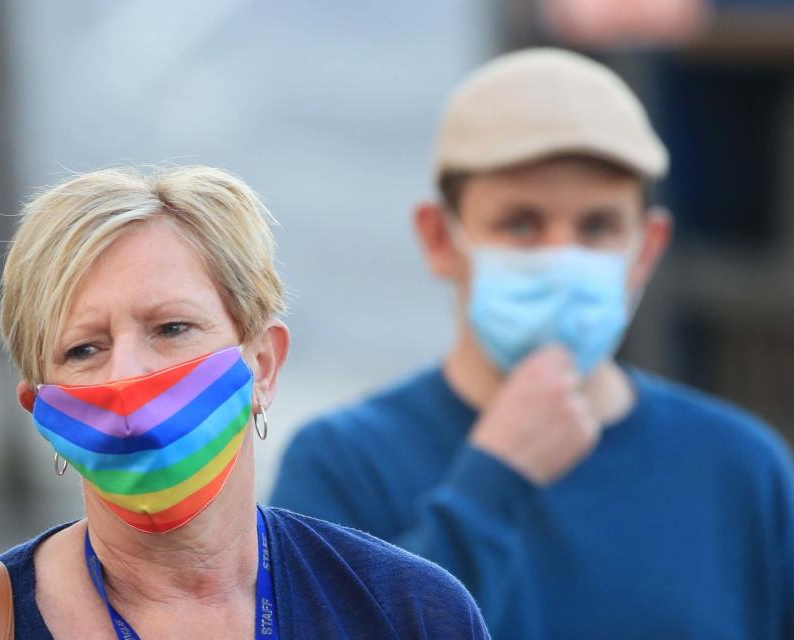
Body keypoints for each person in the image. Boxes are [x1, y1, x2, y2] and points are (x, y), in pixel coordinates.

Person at [271, 48, 794, 639]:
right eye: (520, 223)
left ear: (646, 249)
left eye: (597, 227)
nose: (561, 258)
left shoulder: (741, 469)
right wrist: (491, 484)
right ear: (440, 238)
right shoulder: (345, 466)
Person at [0, 166, 490, 639]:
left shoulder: (407, 612)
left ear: (263, 365)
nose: (128, 376)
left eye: (171, 328)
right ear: (41, 413)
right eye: (83, 350)